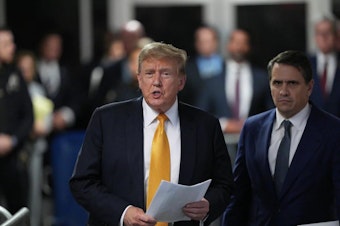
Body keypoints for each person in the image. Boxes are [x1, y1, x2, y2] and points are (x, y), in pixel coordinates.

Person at [69, 42, 233, 226]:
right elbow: (82, 182)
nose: (156, 81)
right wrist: (123, 213)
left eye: (165, 73)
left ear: (181, 81)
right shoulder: (106, 119)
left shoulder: (206, 125)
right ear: (139, 79)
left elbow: (224, 184)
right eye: (149, 73)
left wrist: (208, 205)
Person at [223, 50, 340, 226]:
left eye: (292, 83)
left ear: (309, 87)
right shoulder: (252, 128)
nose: (283, 91)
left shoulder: (333, 130)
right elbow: (238, 196)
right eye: (277, 83)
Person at [197, 29, 273, 134]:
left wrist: (253, 124)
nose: (239, 47)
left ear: (249, 46)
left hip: (254, 141)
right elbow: (201, 114)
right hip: (221, 142)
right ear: (228, 45)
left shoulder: (261, 79)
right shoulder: (212, 81)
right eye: (236, 42)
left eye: (243, 42)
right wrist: (224, 125)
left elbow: (271, 112)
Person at [16, 50, 53, 226]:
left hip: (35, 149)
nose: (26, 72)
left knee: (34, 194)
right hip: (15, 150)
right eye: (22, 69)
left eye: (29, 68)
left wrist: (36, 129)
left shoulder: (38, 90)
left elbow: (46, 122)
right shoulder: (12, 89)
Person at [0, 27, 34, 214]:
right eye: (6, 44)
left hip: (13, 158)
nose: (12, 48)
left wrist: (12, 140)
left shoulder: (15, 75)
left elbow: (28, 116)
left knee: (18, 211)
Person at [179, 25, 224, 105]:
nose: (205, 45)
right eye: (202, 41)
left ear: (216, 42)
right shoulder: (187, 69)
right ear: (196, 44)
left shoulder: (227, 67)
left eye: (208, 41)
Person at [309, 15, 340, 118]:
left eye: (328, 33)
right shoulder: (305, 64)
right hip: (312, 128)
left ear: (336, 36)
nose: (323, 37)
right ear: (315, 37)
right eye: (319, 33)